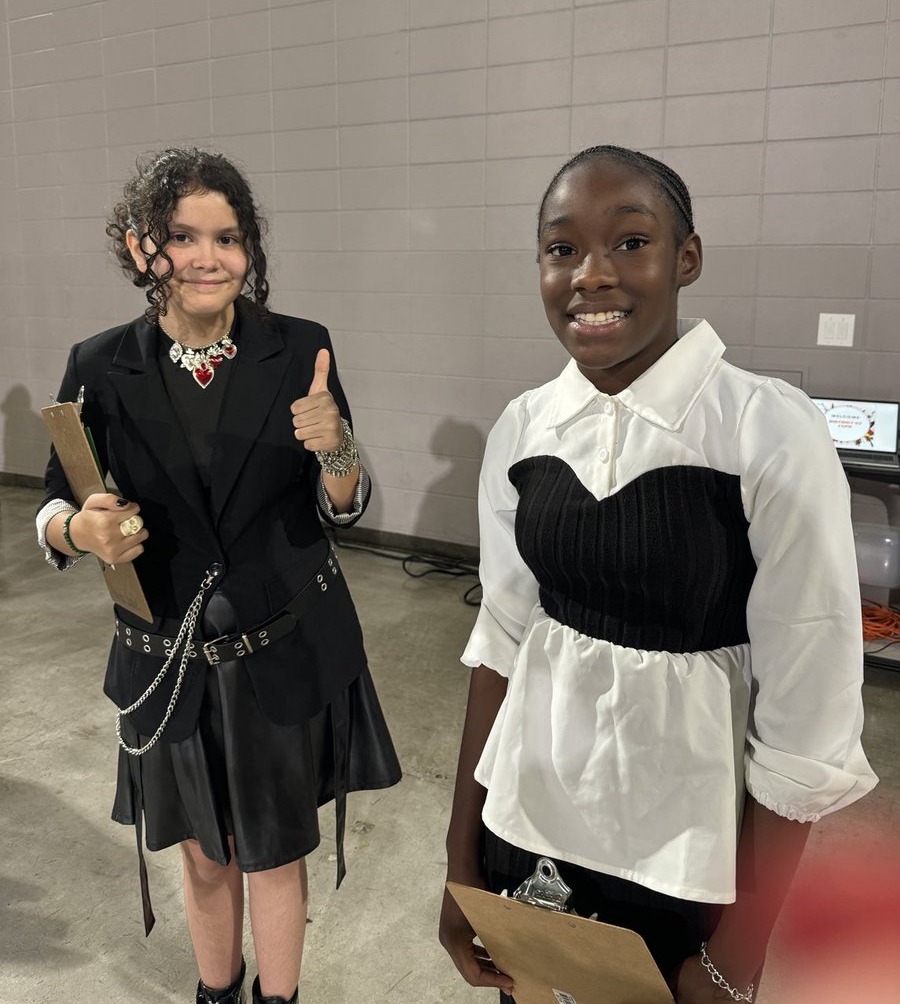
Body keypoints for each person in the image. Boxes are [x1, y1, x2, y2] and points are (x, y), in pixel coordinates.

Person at [439, 145, 877, 1002]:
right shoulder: (525, 429)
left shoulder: (763, 431)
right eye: (562, 249)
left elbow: (805, 725)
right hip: (525, 828)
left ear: (687, 259)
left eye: (630, 242)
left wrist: (734, 960)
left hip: (681, 855)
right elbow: (499, 649)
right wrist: (462, 869)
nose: (590, 275)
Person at [37, 148, 401, 1004]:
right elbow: (55, 501)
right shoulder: (99, 366)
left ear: (249, 249)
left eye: (229, 237)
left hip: (279, 646)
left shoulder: (299, 349)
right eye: (184, 237)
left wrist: (338, 446)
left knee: (275, 851)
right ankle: (216, 992)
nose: (210, 257)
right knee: (203, 854)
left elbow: (339, 502)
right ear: (140, 250)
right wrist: (80, 530)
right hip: (168, 659)